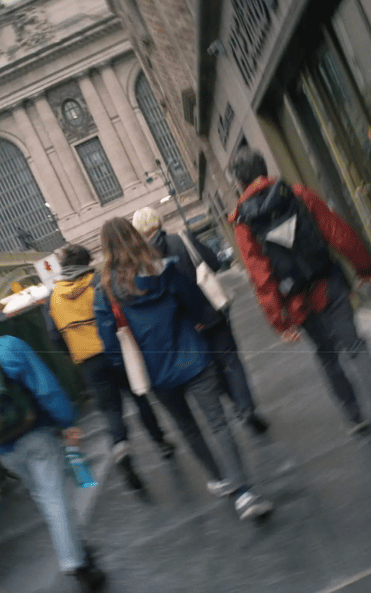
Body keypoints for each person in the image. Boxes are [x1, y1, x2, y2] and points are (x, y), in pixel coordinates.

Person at [227, 148, 371, 457]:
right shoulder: (297, 193)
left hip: (298, 302)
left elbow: (260, 276)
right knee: (355, 347)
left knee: (328, 357)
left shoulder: (243, 223)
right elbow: (337, 232)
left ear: (239, 181)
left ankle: (355, 416)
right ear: (264, 168)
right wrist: (363, 267)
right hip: (329, 285)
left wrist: (279, 320)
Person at [93, 218, 274, 521]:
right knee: (218, 423)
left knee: (188, 428)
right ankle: (245, 493)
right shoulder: (164, 267)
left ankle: (219, 479)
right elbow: (193, 302)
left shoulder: (106, 290)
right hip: (192, 354)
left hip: (154, 370)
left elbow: (109, 341)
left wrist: (126, 364)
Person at [0, 296, 106, 592]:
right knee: (55, 498)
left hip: (3, 451)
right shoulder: (9, 346)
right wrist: (67, 422)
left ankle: (78, 550)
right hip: (36, 435)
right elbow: (46, 388)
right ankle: (76, 562)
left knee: (46, 497)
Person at [44, 243, 176, 495]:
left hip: (89, 362)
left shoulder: (53, 298)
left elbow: (54, 336)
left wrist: (74, 352)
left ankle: (120, 447)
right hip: (117, 350)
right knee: (139, 396)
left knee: (111, 409)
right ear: (86, 261)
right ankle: (161, 442)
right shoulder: (98, 282)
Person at [132, 207, 270, 436]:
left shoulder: (144, 263)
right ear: (158, 221)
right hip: (210, 312)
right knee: (231, 362)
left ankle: (238, 406)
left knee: (214, 367)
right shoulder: (183, 239)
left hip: (185, 326)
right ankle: (246, 407)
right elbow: (214, 263)